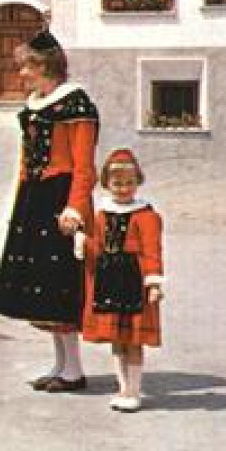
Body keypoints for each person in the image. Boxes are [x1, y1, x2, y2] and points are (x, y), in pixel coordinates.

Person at [0, 29, 100, 393]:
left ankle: (74, 371)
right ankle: (61, 365)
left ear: (44, 66)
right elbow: (26, 162)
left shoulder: (75, 104)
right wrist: (18, 203)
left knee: (60, 286)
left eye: (26, 67)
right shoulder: (35, 105)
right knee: (43, 291)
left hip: (60, 200)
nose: (21, 74)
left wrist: (75, 208)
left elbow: (84, 166)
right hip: (35, 200)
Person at [80, 148, 165, 412]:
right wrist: (84, 243)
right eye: (117, 184)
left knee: (134, 340)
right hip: (108, 279)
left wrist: (154, 283)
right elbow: (97, 245)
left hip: (133, 281)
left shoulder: (146, 216)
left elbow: (152, 250)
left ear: (137, 182)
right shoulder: (102, 214)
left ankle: (134, 390)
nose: (123, 189)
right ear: (107, 184)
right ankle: (122, 388)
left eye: (129, 183)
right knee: (116, 337)